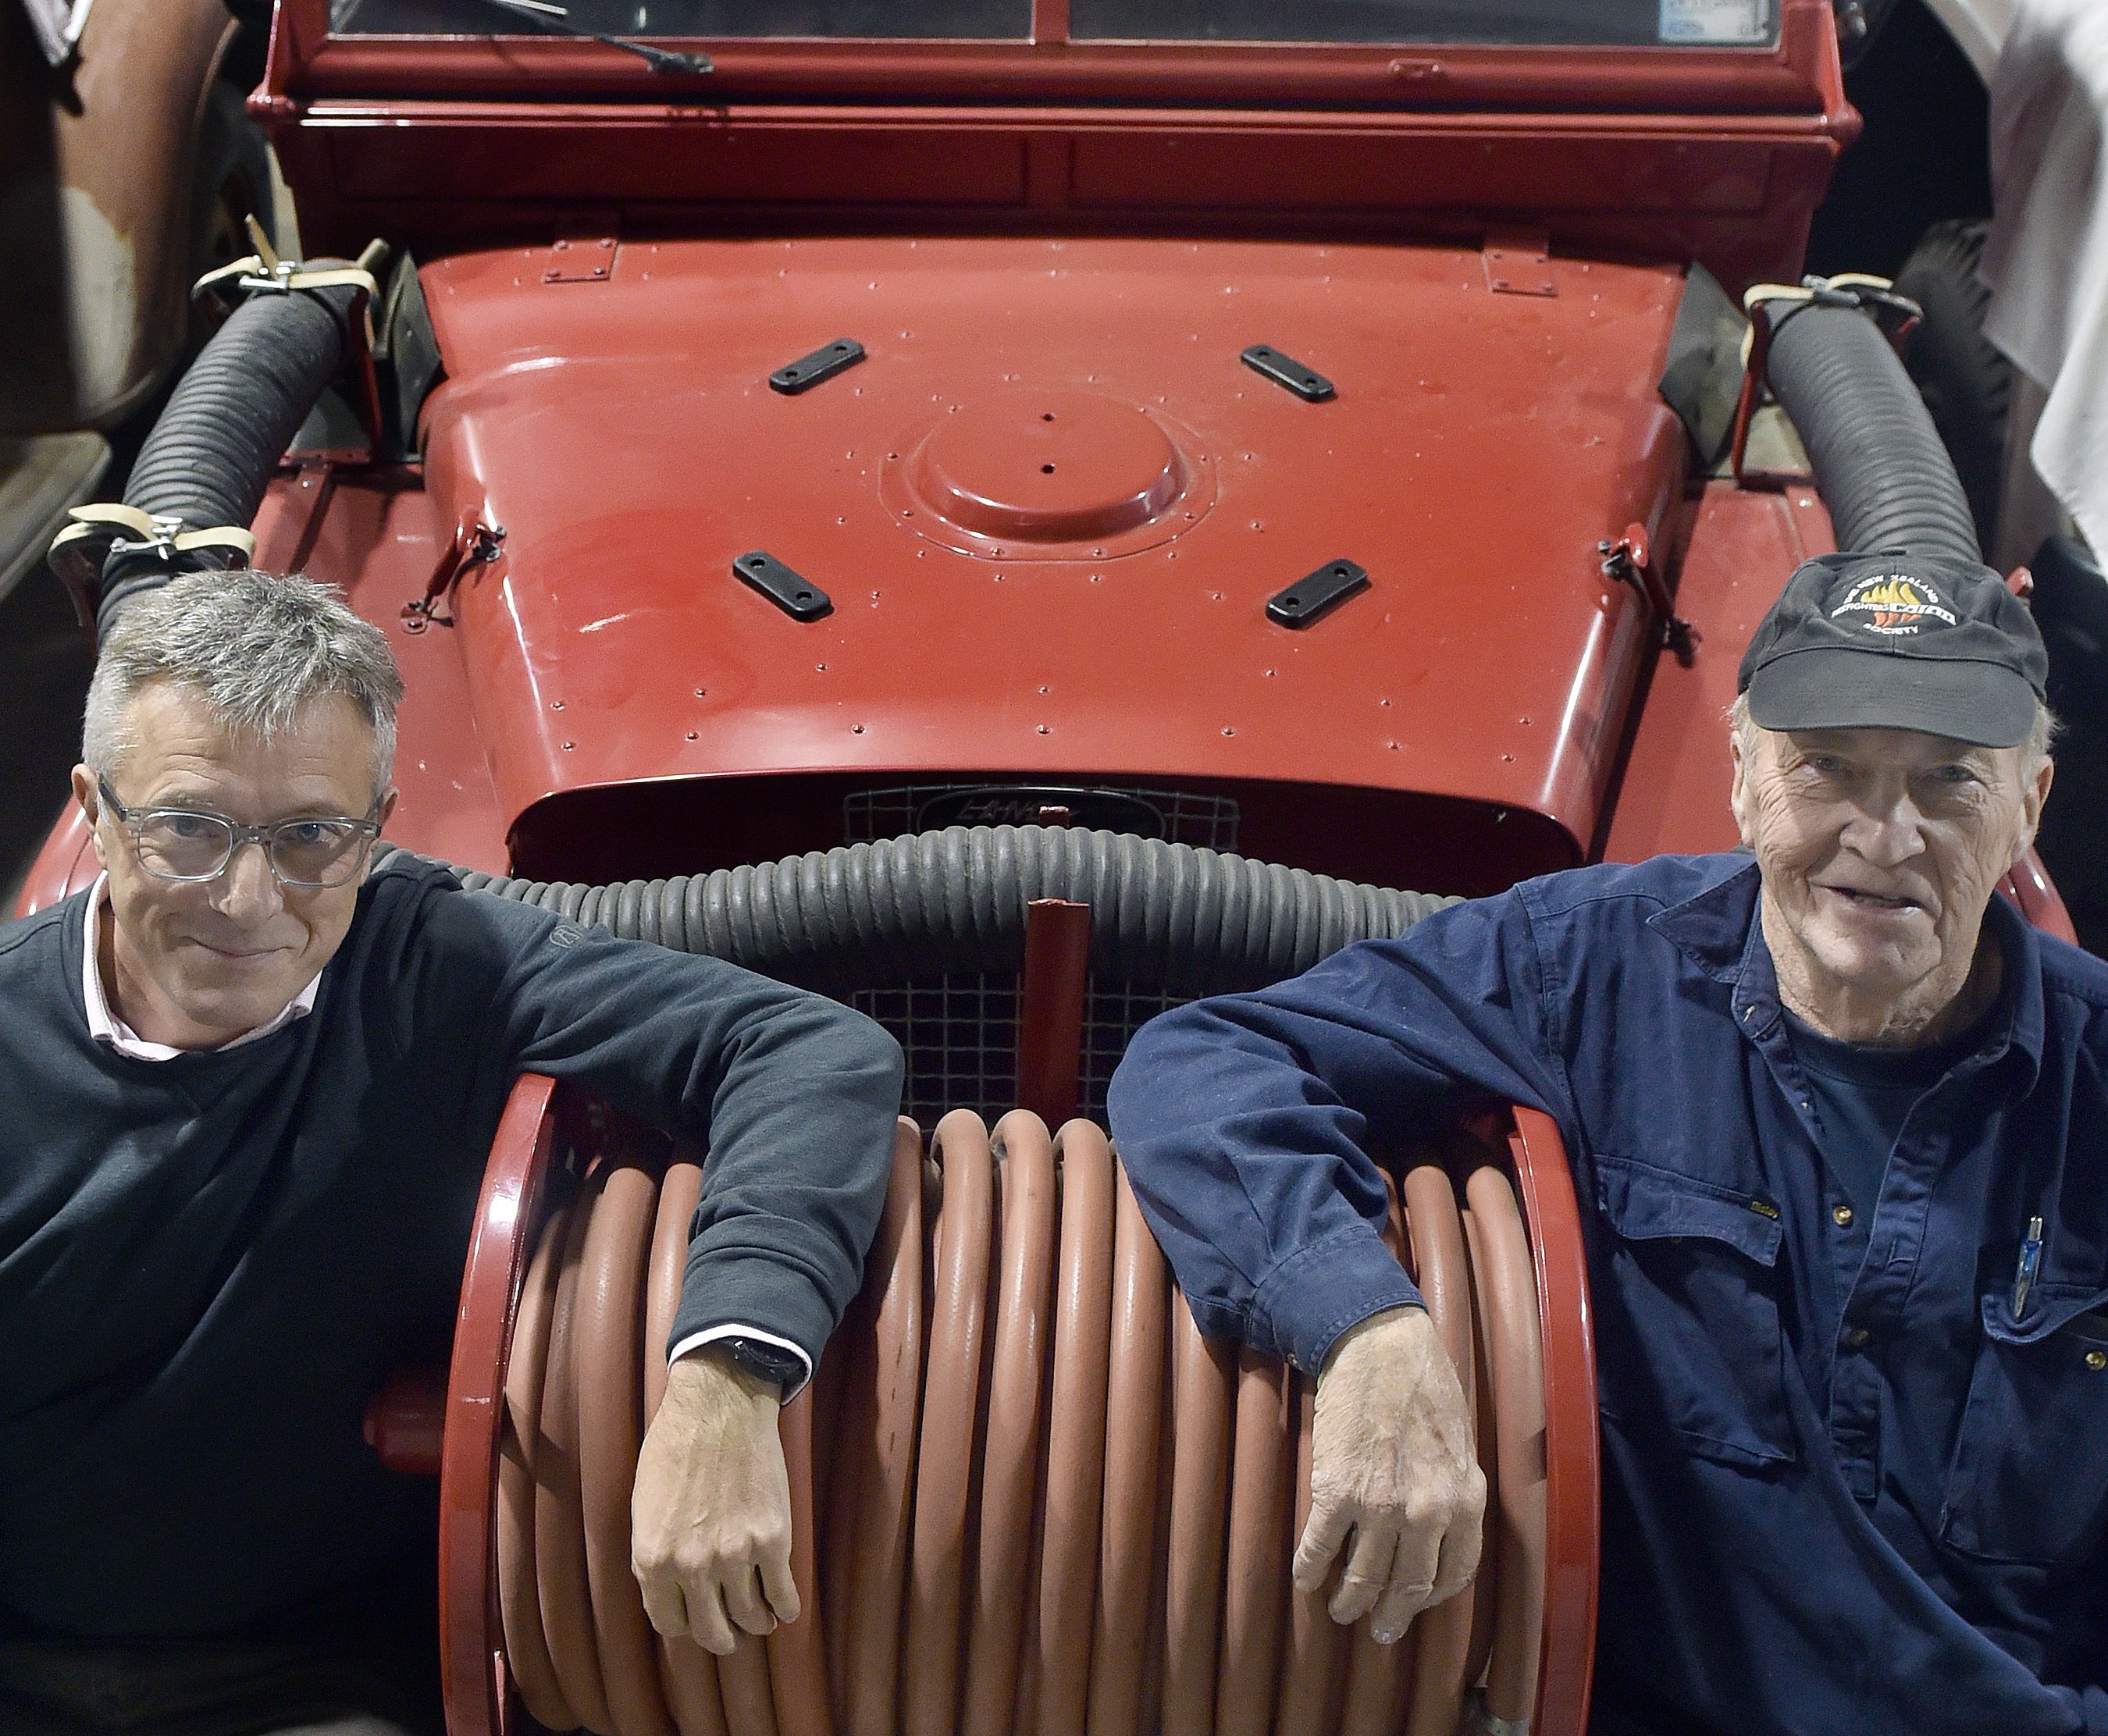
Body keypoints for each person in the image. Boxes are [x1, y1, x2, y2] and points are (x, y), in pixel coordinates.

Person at [1109, 552, 2108, 1736]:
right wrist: (1361, 1322)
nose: (1882, 835)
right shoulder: (1582, 971)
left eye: (1946, 781)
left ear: (2030, 804)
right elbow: (1205, 1062)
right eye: (1828, 765)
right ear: (1742, 774)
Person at [0, 569, 904, 1736]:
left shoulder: (441, 963)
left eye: (312, 835)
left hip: (325, 1675)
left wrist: (728, 1378)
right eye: (187, 825)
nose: (248, 893)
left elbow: (805, 1050)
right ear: (93, 807)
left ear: (375, 829)